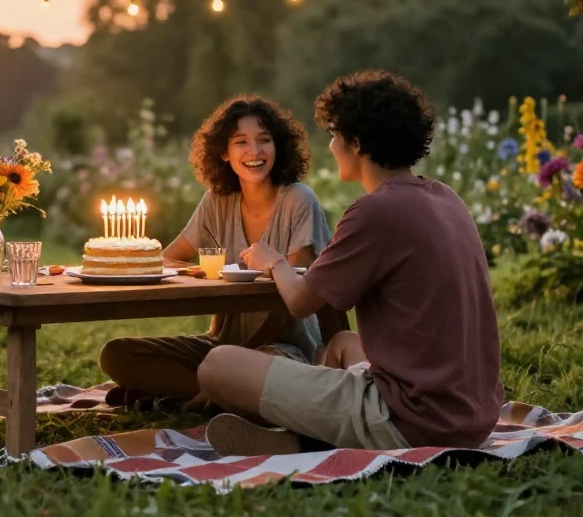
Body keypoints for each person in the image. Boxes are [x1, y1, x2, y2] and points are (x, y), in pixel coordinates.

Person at [196, 71, 503, 455]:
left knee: (217, 365)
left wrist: (273, 260)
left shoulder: (375, 212)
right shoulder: (445, 197)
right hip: (472, 415)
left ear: (355, 143)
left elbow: (301, 302)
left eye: (334, 135)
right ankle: (299, 437)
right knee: (342, 342)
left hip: (407, 419)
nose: (331, 146)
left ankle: (306, 437)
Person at [99, 95, 348, 405]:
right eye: (241, 142)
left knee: (269, 370)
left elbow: (291, 298)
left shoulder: (298, 200)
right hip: (221, 345)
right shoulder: (217, 202)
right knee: (117, 354)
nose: (254, 151)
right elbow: (169, 258)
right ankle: (213, 397)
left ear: (278, 147)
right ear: (224, 153)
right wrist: (201, 273)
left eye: (264, 140)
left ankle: (191, 396)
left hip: (283, 349)